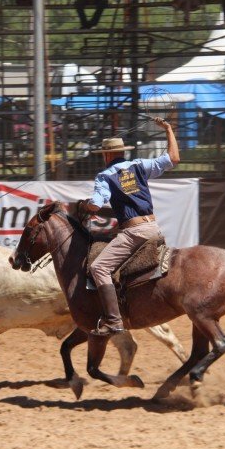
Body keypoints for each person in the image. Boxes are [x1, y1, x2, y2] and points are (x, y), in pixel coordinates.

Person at [80, 117, 179, 336]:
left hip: (134, 232)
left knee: (99, 268)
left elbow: (96, 205)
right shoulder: (140, 165)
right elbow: (173, 158)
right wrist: (168, 130)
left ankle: (114, 320)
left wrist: (86, 205)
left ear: (106, 155)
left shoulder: (105, 176)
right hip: (153, 227)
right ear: (123, 152)